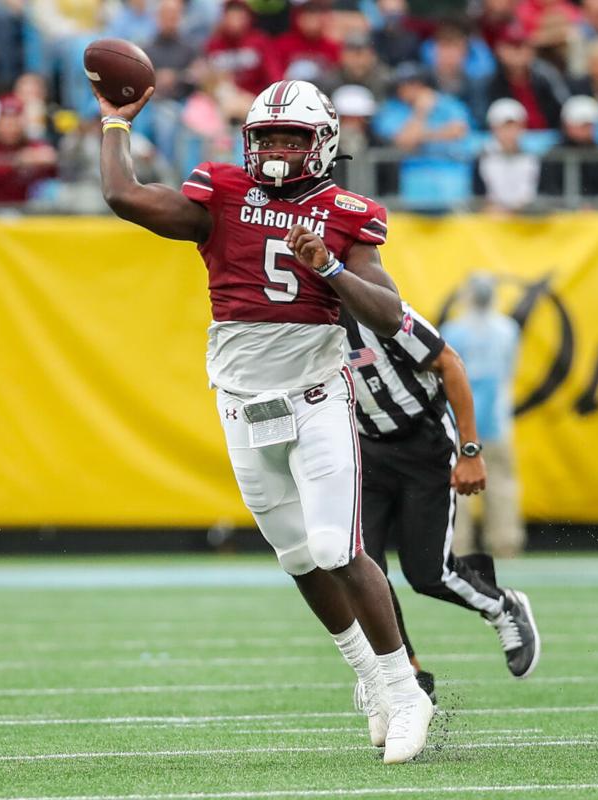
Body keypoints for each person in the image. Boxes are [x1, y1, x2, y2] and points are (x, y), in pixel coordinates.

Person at [94, 78, 434, 763]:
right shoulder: (220, 194)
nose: (276, 150)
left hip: (316, 396)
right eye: (266, 137)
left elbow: (390, 315)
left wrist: (331, 266)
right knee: (300, 558)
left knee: (339, 548)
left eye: (292, 138)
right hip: (241, 402)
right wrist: (114, 124)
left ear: (323, 144)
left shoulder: (346, 212)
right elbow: (123, 196)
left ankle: (406, 689)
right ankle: (368, 676)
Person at [340, 300, 540, 692]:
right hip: (365, 451)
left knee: (428, 572)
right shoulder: (301, 326)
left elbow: (450, 363)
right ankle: (406, 673)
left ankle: (503, 606)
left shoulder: (376, 307)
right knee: (357, 566)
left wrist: (470, 451)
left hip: (422, 444)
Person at [441, 275, 525, 558]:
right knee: (501, 484)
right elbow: (509, 372)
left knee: (456, 481)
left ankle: (457, 543)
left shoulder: (453, 330)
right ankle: (505, 542)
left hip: (459, 418)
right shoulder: (507, 329)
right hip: (496, 418)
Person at [0, 97, 58, 205]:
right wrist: (16, 161)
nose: (10, 128)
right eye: (6, 123)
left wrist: (50, 159)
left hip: (28, 212)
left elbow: (52, 165)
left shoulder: (33, 146)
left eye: (14, 123)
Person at [538, 95, 598, 204]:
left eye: (590, 125)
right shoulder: (553, 156)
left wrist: (593, 205)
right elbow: (548, 192)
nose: (588, 129)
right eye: (583, 125)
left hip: (597, 217)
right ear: (568, 125)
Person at [472, 98, 539, 212]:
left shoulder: (531, 157)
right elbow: (479, 194)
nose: (510, 132)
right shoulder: (482, 157)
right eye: (505, 127)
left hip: (525, 217)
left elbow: (532, 194)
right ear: (494, 128)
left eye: (514, 126)